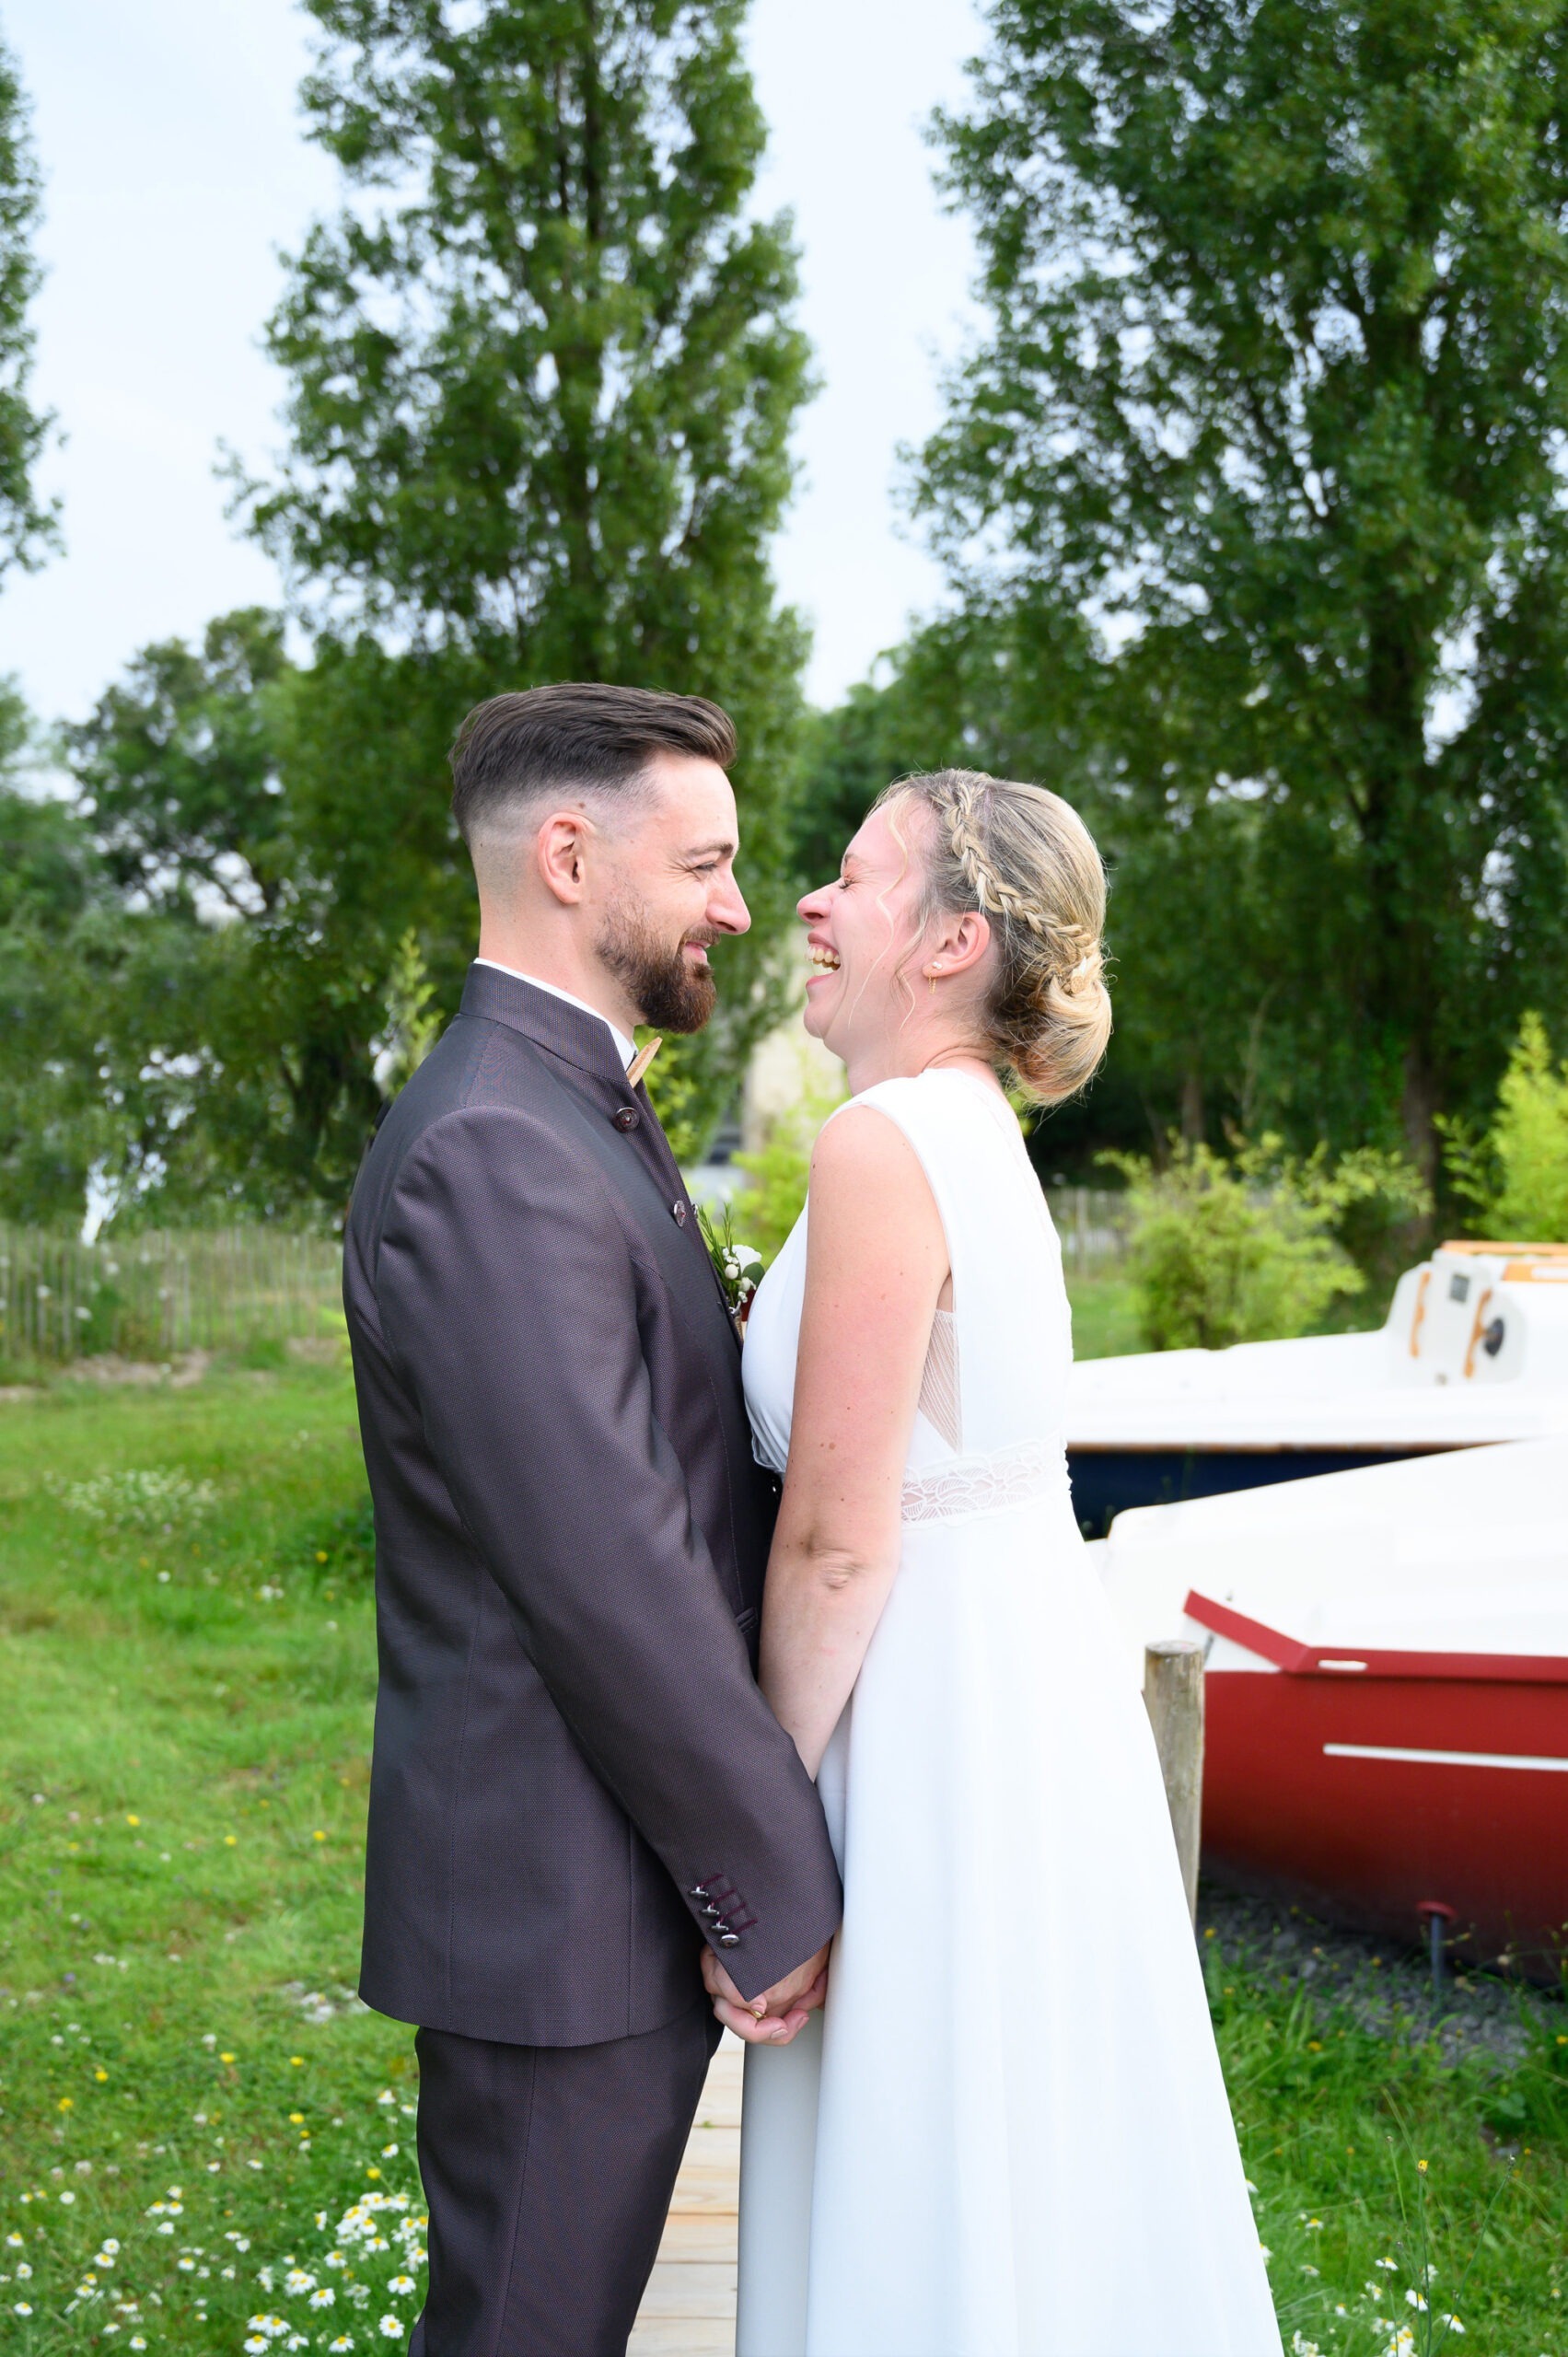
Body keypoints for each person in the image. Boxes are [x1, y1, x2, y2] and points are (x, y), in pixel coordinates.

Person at [725, 768, 1283, 2356]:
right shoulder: (974, 1139)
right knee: (1023, 2139)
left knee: (923, 2124)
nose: (811, 909)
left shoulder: (884, 1144)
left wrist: (751, 1838)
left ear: (953, 939)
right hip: (1023, 1697)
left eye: (851, 880)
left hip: (928, 1726)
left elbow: (837, 1544)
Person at [342, 683, 842, 2356]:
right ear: (570, 854)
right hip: (552, 1915)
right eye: (705, 861)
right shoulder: (497, 1142)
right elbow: (606, 1573)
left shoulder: (573, 1106)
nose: (739, 905)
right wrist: (776, 1883)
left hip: (594, 1892)